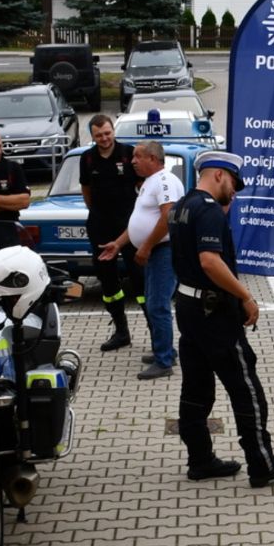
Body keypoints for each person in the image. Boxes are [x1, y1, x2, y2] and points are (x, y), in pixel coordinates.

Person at [168, 150, 274, 487]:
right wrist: (245, 295)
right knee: (245, 388)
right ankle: (262, 463)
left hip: (187, 308)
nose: (234, 191)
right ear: (218, 175)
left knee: (195, 388)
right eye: (233, 183)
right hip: (214, 315)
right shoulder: (209, 210)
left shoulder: (182, 206)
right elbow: (210, 261)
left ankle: (200, 460)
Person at [97, 141, 181, 380]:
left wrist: (145, 246)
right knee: (155, 303)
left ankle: (164, 361)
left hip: (164, 250)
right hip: (156, 250)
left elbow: (168, 217)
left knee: (158, 305)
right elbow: (141, 219)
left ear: (153, 159)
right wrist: (119, 243)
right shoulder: (150, 183)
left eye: (137, 156)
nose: (132, 160)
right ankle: (165, 351)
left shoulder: (164, 180)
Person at [80, 115, 145, 352]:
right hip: (100, 227)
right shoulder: (87, 159)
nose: (104, 138)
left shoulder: (129, 154)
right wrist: (97, 213)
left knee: (140, 279)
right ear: (93, 136)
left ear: (113, 131)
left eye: (107, 133)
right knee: (108, 283)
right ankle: (121, 331)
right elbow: (86, 190)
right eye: (99, 135)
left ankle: (156, 332)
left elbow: (143, 185)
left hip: (130, 227)